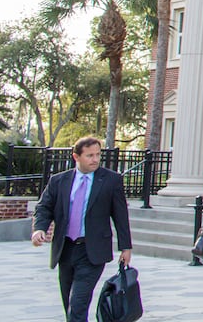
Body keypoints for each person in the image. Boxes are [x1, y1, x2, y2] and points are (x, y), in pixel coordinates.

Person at [31, 135, 133, 322]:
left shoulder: (111, 180)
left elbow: (120, 215)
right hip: (66, 249)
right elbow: (44, 207)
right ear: (76, 157)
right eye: (89, 155)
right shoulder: (59, 181)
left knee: (78, 303)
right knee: (69, 304)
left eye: (97, 155)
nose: (95, 159)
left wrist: (126, 247)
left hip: (92, 251)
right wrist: (39, 229)